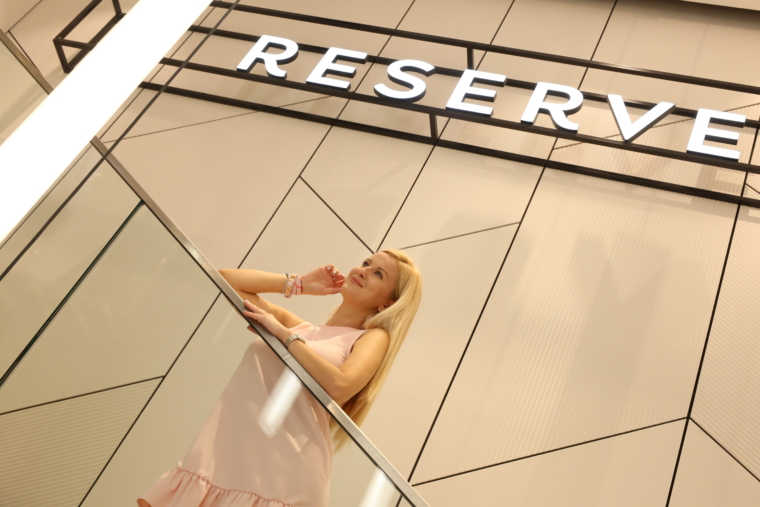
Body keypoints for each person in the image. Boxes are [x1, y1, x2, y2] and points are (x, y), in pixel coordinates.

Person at [137, 250, 422, 507]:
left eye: (377, 274)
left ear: (389, 303)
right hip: (222, 458)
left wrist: (284, 335)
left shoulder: (371, 337)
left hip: (283, 479)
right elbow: (226, 279)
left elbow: (340, 384)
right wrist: (298, 285)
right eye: (366, 263)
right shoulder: (301, 328)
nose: (362, 270)